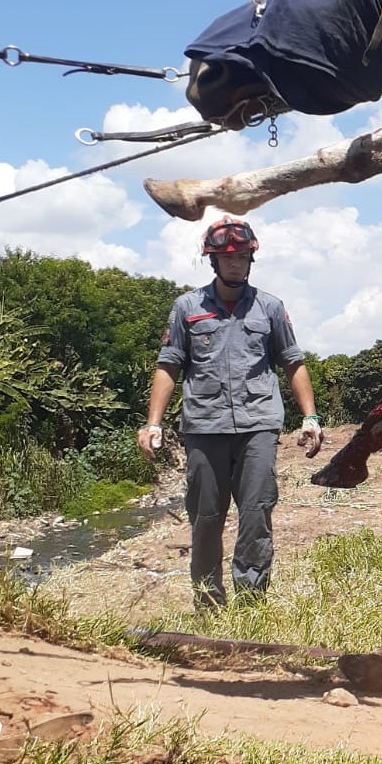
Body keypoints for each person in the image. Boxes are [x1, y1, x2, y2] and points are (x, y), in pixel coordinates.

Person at [137, 216, 325, 608]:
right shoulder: (187, 307)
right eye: (227, 257)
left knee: (256, 516)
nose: (235, 263)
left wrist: (310, 417)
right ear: (213, 261)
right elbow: (169, 365)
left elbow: (292, 362)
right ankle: (209, 604)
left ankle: (251, 607)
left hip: (258, 424)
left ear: (251, 259)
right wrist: (153, 422)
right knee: (206, 520)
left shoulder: (270, 308)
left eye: (242, 256)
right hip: (204, 427)